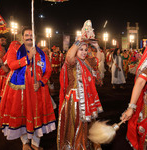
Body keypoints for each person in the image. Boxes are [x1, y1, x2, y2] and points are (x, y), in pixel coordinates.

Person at [0, 27, 56, 150]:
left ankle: (35, 143)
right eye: (26, 34)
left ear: (35, 37)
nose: (29, 36)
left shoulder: (42, 53)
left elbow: (48, 70)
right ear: (22, 37)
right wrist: (28, 57)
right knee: (22, 114)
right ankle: (25, 143)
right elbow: (12, 65)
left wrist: (41, 83)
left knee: (37, 114)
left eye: (31, 34)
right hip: (20, 89)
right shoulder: (16, 48)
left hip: (37, 89)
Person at [57, 21, 103, 150]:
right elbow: (69, 56)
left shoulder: (88, 61)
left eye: (85, 50)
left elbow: (99, 58)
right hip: (75, 101)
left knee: (87, 125)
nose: (83, 52)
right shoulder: (73, 63)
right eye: (81, 50)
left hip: (87, 100)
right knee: (76, 125)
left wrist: (96, 45)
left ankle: (85, 145)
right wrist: (78, 41)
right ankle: (76, 146)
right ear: (77, 50)